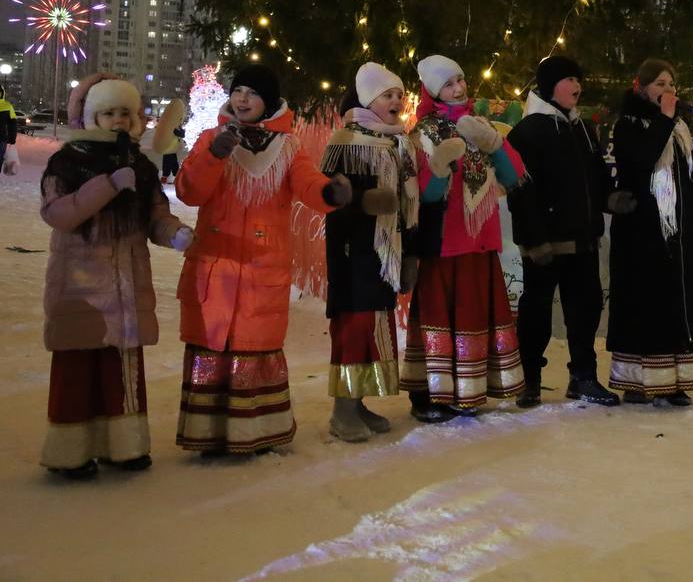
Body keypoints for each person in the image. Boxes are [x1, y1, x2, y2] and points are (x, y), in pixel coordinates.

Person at [175, 64, 350, 454]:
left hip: (262, 267)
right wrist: (214, 155)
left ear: (267, 101)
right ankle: (208, 434)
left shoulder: (287, 147)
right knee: (212, 347)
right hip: (215, 264)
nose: (242, 99)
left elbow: (308, 183)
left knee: (253, 347)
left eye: (252, 93)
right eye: (238, 90)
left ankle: (252, 433)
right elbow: (190, 191)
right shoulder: (212, 138)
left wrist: (330, 194)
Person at [38, 78, 193, 478]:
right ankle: (70, 452)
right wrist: (107, 185)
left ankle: (125, 447)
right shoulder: (67, 162)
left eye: (125, 112)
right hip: (80, 288)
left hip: (126, 285)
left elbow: (154, 215)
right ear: (92, 116)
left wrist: (174, 233)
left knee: (121, 369)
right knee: (77, 369)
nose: (119, 120)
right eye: (109, 113)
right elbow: (59, 214)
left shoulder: (139, 166)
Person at [402, 55, 526, 422]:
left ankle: (469, 389)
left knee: (474, 313)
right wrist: (439, 166)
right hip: (443, 242)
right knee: (439, 316)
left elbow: (513, 177)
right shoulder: (423, 133)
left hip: (480, 240)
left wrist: (495, 144)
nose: (458, 88)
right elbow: (423, 196)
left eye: (460, 80)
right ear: (433, 91)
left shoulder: (481, 123)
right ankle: (429, 393)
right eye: (448, 84)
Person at [506, 55, 622, 408]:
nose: (577, 85)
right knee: (536, 312)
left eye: (578, 79)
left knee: (585, 310)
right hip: (545, 243)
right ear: (549, 86)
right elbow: (521, 191)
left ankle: (583, 376)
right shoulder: (528, 131)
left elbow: (595, 177)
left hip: (582, 239)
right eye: (569, 79)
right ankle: (529, 379)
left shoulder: (583, 128)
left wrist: (610, 199)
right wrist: (534, 240)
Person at [319, 63, 421, 441]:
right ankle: (342, 410)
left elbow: (408, 204)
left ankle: (358, 402)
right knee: (354, 328)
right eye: (387, 95)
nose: (396, 101)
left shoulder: (398, 143)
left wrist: (409, 254)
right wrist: (364, 201)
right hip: (353, 254)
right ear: (367, 100)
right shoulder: (345, 141)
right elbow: (329, 197)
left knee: (374, 327)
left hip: (383, 253)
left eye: (399, 95)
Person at [606, 59, 693, 406]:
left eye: (671, 84)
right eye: (659, 84)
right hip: (642, 230)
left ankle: (674, 381)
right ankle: (638, 381)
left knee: (677, 301)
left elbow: (689, 179)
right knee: (644, 301)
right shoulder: (628, 125)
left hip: (678, 230)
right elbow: (643, 159)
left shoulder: (678, 128)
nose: (667, 90)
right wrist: (665, 119)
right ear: (641, 88)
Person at [0, 84, 19, 175]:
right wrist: (12, 138)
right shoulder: (8, 106)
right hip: (2, 139)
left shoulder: (8, 106)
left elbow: (13, 124)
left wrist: (12, 138)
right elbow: (13, 124)